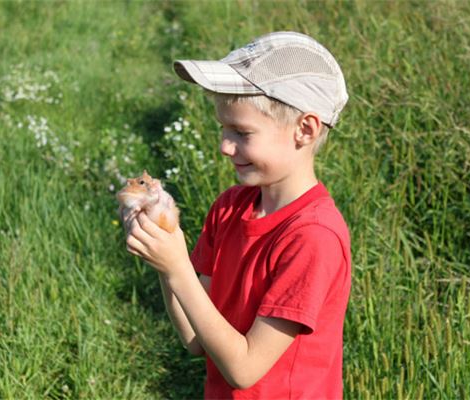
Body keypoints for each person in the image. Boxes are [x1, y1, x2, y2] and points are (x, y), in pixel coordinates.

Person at [122, 31, 351, 399]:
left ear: (304, 130)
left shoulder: (314, 236)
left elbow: (244, 369)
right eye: (223, 128)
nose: (224, 146)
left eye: (242, 132)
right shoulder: (230, 207)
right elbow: (196, 341)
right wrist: (167, 259)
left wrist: (179, 268)